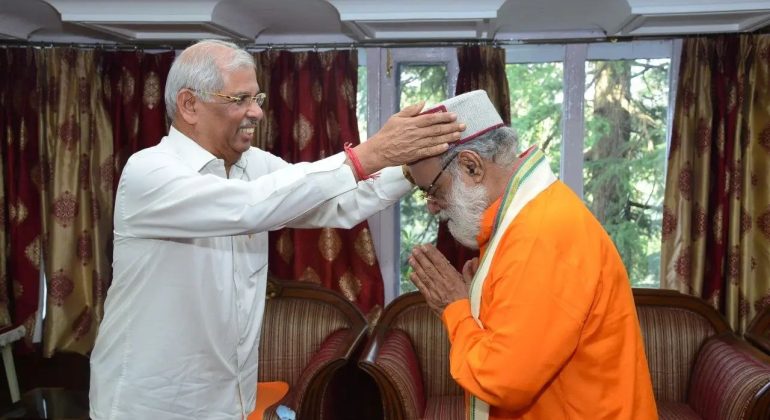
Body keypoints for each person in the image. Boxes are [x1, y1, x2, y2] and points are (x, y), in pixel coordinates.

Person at [89, 39, 465, 420]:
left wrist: (411, 169)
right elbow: (250, 207)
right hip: (148, 406)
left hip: (229, 404)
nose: (257, 113)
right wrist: (367, 155)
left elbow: (338, 201)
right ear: (190, 105)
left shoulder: (253, 165)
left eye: (258, 98)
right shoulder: (149, 171)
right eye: (240, 100)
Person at [406, 90, 657, 419]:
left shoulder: (541, 234)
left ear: (471, 166)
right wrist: (480, 298)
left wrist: (455, 308)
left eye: (433, 189)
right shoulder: (522, 217)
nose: (431, 205)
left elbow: (503, 381)